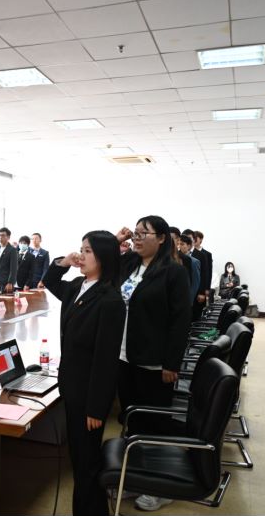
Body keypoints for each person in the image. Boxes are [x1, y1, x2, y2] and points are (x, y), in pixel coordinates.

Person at [43, 231, 125, 516]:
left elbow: (106, 359)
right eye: (81, 249)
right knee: (79, 459)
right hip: (73, 386)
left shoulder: (110, 300)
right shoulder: (79, 285)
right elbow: (50, 281)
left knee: (87, 463)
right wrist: (64, 262)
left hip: (89, 395)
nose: (81, 255)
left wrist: (97, 407)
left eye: (88, 251)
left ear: (104, 257)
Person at [115, 216, 190, 512]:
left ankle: (161, 486)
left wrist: (172, 363)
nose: (137, 238)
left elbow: (180, 320)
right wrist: (116, 239)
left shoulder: (173, 272)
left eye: (143, 233)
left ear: (161, 238)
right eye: (135, 233)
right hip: (125, 356)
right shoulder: (130, 265)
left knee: (154, 426)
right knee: (132, 421)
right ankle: (136, 479)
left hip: (155, 362)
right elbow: (105, 264)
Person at [0, 227, 18, 294]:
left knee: (5, 300)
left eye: (3, 235)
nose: (0, 237)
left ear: (8, 237)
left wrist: (10, 282)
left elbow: (13, 268)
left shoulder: (12, 250)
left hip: (6, 282)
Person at [177, 234, 201, 303]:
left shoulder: (194, 262)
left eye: (182, 244)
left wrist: (189, 300)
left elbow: (195, 283)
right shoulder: (174, 259)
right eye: (178, 244)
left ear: (189, 246)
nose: (179, 246)